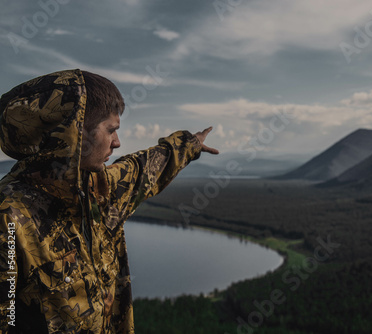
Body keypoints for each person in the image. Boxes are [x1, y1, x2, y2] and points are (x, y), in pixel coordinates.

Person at [0, 69, 218, 333]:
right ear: (75, 132)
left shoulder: (98, 188)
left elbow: (143, 170)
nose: (117, 142)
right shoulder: (9, 216)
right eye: (111, 130)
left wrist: (189, 144)